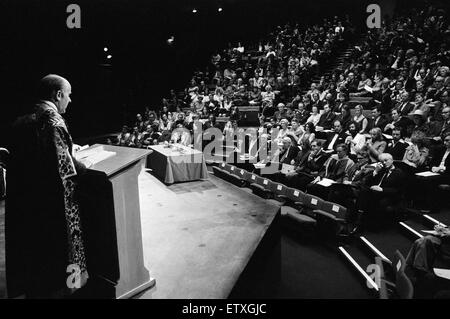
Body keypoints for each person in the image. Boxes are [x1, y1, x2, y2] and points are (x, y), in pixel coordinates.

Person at [6, 74, 89, 298]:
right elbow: (65, 169)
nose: (70, 101)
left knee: (36, 258)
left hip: (28, 205)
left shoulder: (22, 119)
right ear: (58, 94)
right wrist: (86, 166)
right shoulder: (53, 121)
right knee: (58, 260)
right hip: (53, 206)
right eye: (69, 95)